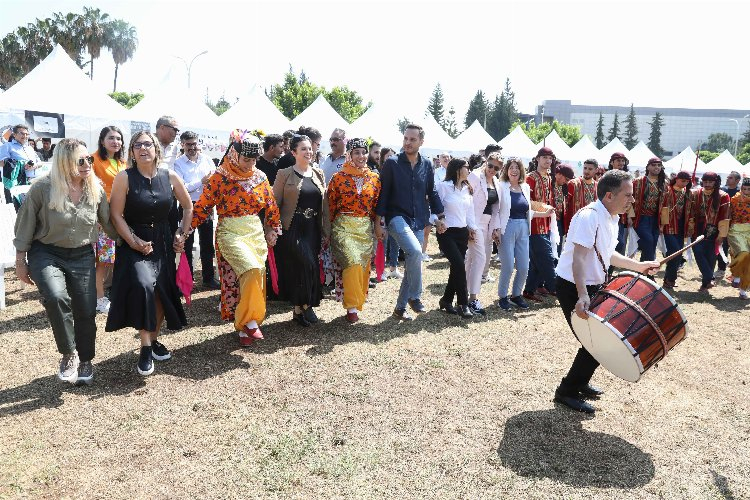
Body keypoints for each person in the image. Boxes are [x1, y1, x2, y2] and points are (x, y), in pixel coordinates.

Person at [554, 170, 661, 414]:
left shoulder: (611, 218)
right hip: (574, 285)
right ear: (610, 195)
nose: (633, 200)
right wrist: (583, 295)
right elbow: (579, 259)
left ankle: (578, 383)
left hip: (593, 284)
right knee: (595, 341)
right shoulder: (588, 217)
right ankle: (567, 391)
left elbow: (607, 254)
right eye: (629, 195)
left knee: (600, 338)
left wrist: (639, 266)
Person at [13, 138, 117, 385]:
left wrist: (135, 242)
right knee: (56, 295)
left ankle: (86, 360)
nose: (87, 164)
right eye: (80, 160)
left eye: (88, 159)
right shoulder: (42, 188)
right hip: (46, 252)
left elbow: (110, 225)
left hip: (81, 254)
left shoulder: (96, 188)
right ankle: (68, 353)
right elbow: (25, 225)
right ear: (64, 162)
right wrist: (20, 260)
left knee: (86, 308)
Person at [105, 131, 192, 376]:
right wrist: (133, 242)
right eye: (137, 145)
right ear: (131, 151)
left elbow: (188, 206)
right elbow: (116, 215)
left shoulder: (170, 176)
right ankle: (145, 347)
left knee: (162, 292)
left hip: (163, 241)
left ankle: (153, 340)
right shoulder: (125, 177)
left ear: (156, 148)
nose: (143, 148)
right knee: (145, 286)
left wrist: (181, 234)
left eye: (147, 144)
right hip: (135, 240)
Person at [191, 130, 281, 345]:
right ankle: (250, 321)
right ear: (234, 155)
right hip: (230, 232)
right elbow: (202, 207)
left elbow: (270, 206)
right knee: (251, 269)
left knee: (254, 275)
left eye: (253, 160)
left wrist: (272, 228)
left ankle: (243, 328)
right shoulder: (219, 177)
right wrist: (185, 230)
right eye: (246, 159)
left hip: (254, 232)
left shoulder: (260, 177)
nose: (249, 164)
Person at [375, 124, 445, 321]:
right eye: (405, 138)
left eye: (412, 139)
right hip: (396, 217)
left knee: (413, 260)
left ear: (421, 142)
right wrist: (377, 222)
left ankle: (400, 308)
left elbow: (431, 192)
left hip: (418, 219)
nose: (407, 142)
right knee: (415, 252)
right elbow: (384, 194)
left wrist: (441, 216)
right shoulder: (392, 163)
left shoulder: (427, 165)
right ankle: (415, 296)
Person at [273, 134, 327, 327]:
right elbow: (274, 203)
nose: (308, 152)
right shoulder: (284, 173)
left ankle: (297, 310)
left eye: (310, 149)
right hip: (292, 226)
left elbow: (324, 205)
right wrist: (271, 228)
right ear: (294, 152)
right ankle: (307, 305)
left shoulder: (318, 173)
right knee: (307, 264)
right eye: (303, 149)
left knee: (302, 268)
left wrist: (326, 231)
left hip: (312, 227)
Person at [327, 138, 381, 323]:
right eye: (356, 152)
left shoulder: (374, 178)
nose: (361, 156)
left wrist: (377, 227)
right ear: (348, 155)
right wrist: (329, 230)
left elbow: (375, 206)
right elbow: (330, 205)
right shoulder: (338, 178)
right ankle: (351, 307)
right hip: (343, 227)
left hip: (364, 228)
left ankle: (358, 302)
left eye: (363, 152)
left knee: (364, 267)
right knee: (353, 263)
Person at [497, 157, 553, 310]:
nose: (514, 170)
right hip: (506, 228)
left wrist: (545, 214)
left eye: (517, 167)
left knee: (524, 266)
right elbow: (496, 210)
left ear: (521, 171)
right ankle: (502, 297)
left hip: (523, 228)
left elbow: (528, 211)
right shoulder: (501, 186)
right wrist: (495, 229)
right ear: (506, 171)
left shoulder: (525, 187)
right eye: (511, 167)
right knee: (508, 266)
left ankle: (516, 295)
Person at [173, 131, 220, 289]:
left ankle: (208, 277)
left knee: (207, 243)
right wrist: (201, 182)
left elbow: (215, 180)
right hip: (188, 207)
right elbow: (182, 188)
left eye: (194, 144)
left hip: (206, 205)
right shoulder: (178, 164)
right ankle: (188, 279)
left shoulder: (206, 160)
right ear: (182, 145)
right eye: (189, 144)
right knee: (187, 243)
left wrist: (209, 185)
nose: (192, 147)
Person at [435, 158, 477, 318]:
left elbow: (470, 212)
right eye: (467, 167)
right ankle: (463, 303)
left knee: (457, 267)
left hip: (462, 233)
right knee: (459, 265)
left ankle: (446, 300)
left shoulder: (467, 189)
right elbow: (433, 208)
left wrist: (472, 228)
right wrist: (437, 221)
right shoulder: (443, 187)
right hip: (446, 233)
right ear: (458, 169)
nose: (469, 170)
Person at [91, 125, 127, 313]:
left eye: (119, 138)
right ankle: (99, 298)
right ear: (102, 140)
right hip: (103, 216)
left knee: (115, 258)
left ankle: (112, 293)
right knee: (103, 260)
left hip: (121, 215)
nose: (116, 142)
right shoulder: (93, 159)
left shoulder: (123, 162)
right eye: (111, 138)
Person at [465, 152, 502, 314]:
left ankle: (462, 294)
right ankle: (473, 298)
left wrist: (495, 228)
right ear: (486, 162)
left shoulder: (496, 182)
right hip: (474, 224)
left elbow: (496, 209)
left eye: (497, 167)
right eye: (490, 165)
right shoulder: (474, 176)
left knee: (471, 259)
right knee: (480, 259)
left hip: (487, 226)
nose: (492, 169)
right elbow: (465, 199)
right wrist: (468, 226)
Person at [522, 147, 559, 302]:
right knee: (547, 258)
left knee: (538, 260)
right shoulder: (530, 178)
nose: (548, 161)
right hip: (534, 224)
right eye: (544, 157)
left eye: (550, 158)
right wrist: (545, 208)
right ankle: (557, 288)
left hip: (547, 224)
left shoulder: (550, 178)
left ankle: (529, 290)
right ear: (537, 159)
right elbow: (526, 201)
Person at [689, 172, 731, 293]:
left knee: (711, 256)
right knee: (698, 251)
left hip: (714, 229)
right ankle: (710, 277)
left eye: (710, 182)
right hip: (698, 228)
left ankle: (705, 284)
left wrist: (721, 235)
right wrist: (690, 227)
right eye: (705, 181)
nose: (707, 184)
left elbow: (725, 216)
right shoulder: (696, 193)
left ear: (716, 182)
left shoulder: (723, 196)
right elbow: (691, 212)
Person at [658, 171, 692, 289]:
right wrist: (661, 224)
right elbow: (662, 207)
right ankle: (669, 279)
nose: (685, 183)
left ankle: (669, 280)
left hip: (682, 226)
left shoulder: (687, 192)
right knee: (675, 252)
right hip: (669, 226)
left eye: (687, 181)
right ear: (676, 179)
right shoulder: (667, 190)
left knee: (678, 253)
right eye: (683, 181)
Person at [630, 157, 666, 262]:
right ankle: (648, 273)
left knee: (652, 245)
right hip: (641, 218)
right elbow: (629, 199)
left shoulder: (664, 184)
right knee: (649, 241)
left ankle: (643, 272)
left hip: (655, 219)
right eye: (654, 165)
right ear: (648, 167)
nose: (657, 167)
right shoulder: (638, 182)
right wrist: (629, 216)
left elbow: (665, 206)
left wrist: (663, 224)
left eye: (659, 165)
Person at [1, 124, 41, 204]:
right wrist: (22, 165)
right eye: (22, 133)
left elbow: (40, 163)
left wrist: (33, 166)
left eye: (27, 134)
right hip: (17, 183)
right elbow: (2, 163)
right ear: (14, 134)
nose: (25, 136)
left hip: (34, 182)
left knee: (33, 209)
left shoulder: (29, 148)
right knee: (20, 210)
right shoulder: (7, 146)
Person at [379, 147, 403, 280]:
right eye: (388, 156)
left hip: (395, 211)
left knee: (395, 240)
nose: (391, 158)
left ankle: (393, 268)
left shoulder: (399, 173)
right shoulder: (377, 172)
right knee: (383, 240)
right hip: (382, 212)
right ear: (383, 157)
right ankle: (381, 269)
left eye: (393, 156)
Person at [728, 178, 750, 299]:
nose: (746, 191)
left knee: (749, 262)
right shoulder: (734, 200)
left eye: (749, 189)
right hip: (735, 230)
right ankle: (735, 275)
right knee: (743, 253)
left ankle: (743, 290)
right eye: (744, 189)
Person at [718, 171, 742, 280]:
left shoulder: (741, 192)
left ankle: (735, 272)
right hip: (723, 223)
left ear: (737, 181)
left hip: (737, 225)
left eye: (731, 178)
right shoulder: (722, 191)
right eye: (727, 177)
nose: (728, 179)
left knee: (735, 249)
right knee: (722, 246)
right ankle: (721, 269)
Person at [564, 159, 598, 233]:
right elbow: (565, 205)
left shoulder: (597, 186)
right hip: (575, 227)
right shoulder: (573, 184)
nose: (586, 171)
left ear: (596, 170)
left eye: (590, 169)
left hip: (590, 226)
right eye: (585, 168)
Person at [607, 152, 629, 254]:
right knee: (607, 242)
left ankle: (608, 269)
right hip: (606, 213)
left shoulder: (627, 178)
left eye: (622, 161)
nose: (621, 163)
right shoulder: (606, 177)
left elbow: (630, 197)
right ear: (612, 162)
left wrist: (630, 216)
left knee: (620, 244)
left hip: (621, 215)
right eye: (618, 160)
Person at [553, 164, 575, 255]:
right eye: (566, 179)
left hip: (559, 222)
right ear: (559, 174)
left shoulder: (564, 188)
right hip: (548, 221)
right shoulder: (549, 185)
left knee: (558, 248)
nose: (566, 182)